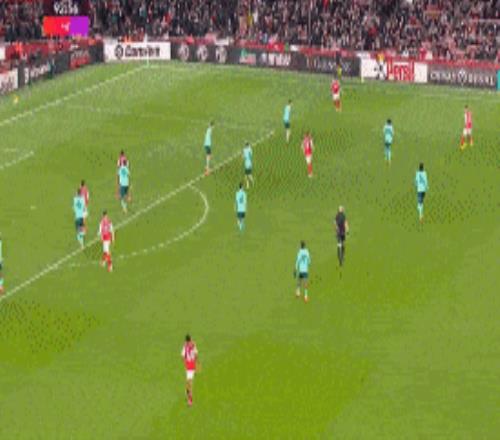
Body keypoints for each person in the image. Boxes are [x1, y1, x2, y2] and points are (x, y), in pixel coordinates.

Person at [181, 334, 198, 407]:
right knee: (190, 382)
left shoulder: (185, 346)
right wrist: (195, 365)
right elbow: (196, 355)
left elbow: (182, 356)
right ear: (190, 339)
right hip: (191, 365)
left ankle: (187, 392)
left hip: (189, 366)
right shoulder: (192, 345)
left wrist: (185, 363)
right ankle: (190, 400)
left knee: (189, 381)